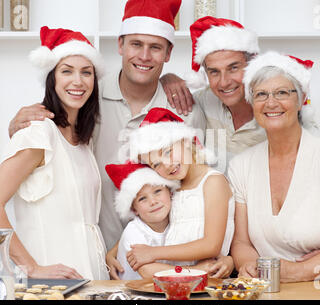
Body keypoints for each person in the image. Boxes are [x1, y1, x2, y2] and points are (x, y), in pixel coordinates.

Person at [7, 0, 206, 258]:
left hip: (166, 262)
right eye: (136, 44)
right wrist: (16, 126)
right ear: (120, 45)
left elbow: (198, 190)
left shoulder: (185, 111)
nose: (144, 56)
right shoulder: (86, 101)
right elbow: (50, 139)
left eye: (155, 47)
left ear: (168, 53)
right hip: (95, 259)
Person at [0, 26, 109, 280]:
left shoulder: (82, 140)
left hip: (89, 279)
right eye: (66, 71)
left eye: (86, 72)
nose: (78, 81)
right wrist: (31, 267)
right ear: (52, 78)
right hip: (50, 284)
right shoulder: (38, 133)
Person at [228, 51, 320, 282]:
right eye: (261, 94)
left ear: (301, 99)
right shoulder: (240, 166)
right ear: (252, 104)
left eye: (282, 92)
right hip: (264, 290)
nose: (271, 103)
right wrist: (251, 267)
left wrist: (302, 270)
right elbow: (241, 242)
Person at [162, 16, 319, 175]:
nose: (224, 82)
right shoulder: (202, 102)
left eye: (233, 68)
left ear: (251, 65)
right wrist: (166, 79)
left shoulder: (276, 110)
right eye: (214, 72)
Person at [123, 108, 234, 274]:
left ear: (186, 141)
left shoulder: (212, 182)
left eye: (168, 152)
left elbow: (211, 245)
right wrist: (114, 250)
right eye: (156, 164)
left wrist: (152, 253)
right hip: (179, 281)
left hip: (209, 279)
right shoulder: (174, 190)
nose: (166, 164)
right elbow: (153, 223)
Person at [105, 162, 233, 280]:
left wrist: (228, 260)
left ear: (170, 193)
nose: (153, 201)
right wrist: (196, 271)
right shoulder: (133, 232)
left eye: (157, 191)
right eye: (142, 199)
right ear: (134, 209)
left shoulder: (175, 221)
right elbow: (148, 271)